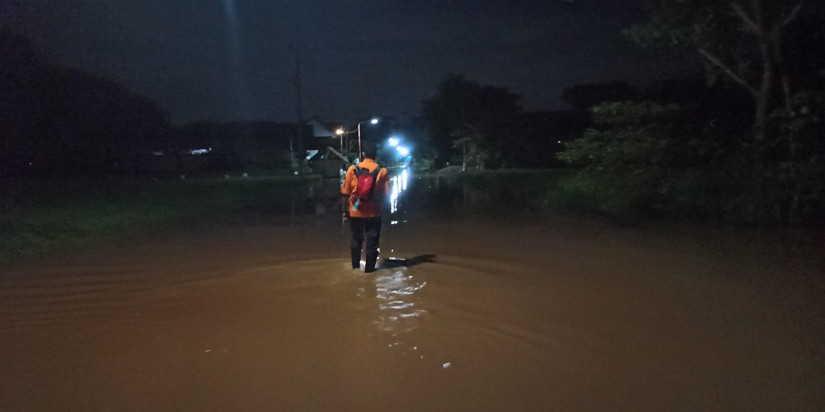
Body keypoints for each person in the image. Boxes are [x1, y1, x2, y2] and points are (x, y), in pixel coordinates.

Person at [341, 141, 389, 272]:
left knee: (356, 239)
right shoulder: (382, 171)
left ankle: (355, 268)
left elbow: (345, 193)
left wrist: (345, 211)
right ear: (376, 155)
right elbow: (386, 195)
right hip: (374, 211)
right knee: (372, 242)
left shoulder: (352, 169)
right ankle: (369, 271)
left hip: (355, 210)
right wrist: (382, 210)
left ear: (363, 154)